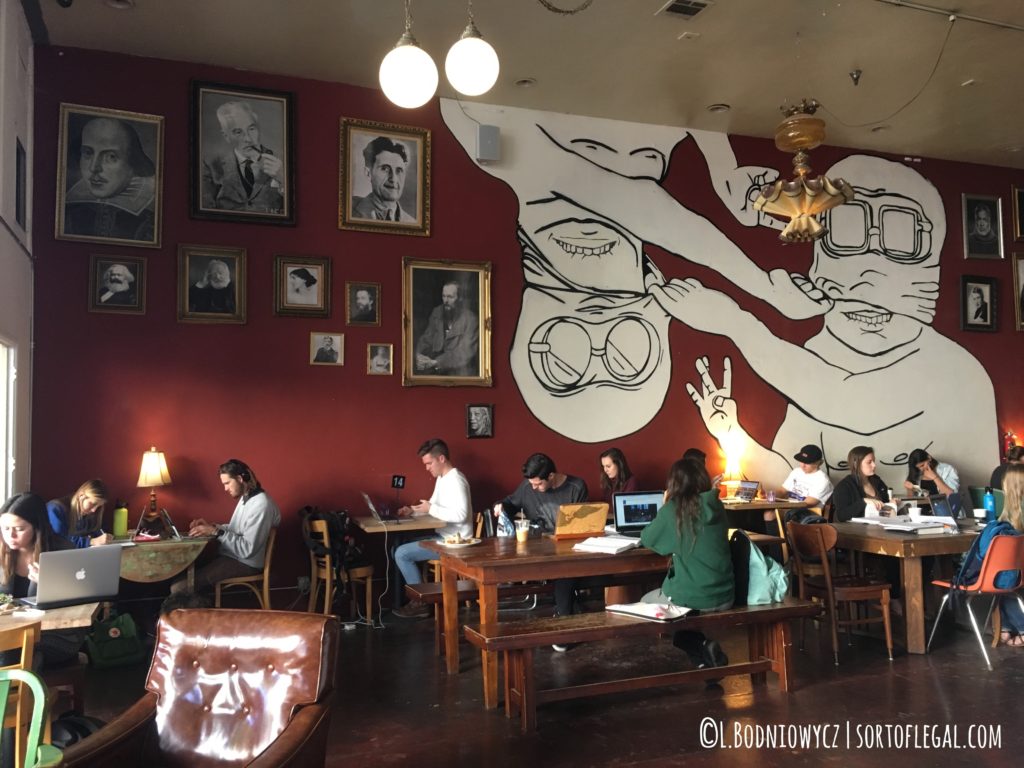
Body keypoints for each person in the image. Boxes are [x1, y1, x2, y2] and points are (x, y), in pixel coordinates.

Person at [639, 458, 734, 675]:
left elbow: (647, 538)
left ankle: (701, 648)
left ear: (673, 484)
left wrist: (664, 506)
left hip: (695, 598)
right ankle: (705, 665)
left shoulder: (673, 510)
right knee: (682, 618)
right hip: (726, 595)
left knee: (648, 603)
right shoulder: (716, 504)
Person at [497, 453, 588, 634]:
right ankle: (566, 616)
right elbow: (510, 503)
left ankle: (564, 622)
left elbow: (582, 525)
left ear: (552, 476)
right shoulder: (527, 487)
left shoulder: (576, 487)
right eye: (532, 484)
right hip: (537, 548)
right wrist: (500, 506)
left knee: (565, 569)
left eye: (539, 484)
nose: (535, 488)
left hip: (569, 548)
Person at [0, 493, 84, 667]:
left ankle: (18, 692)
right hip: (12, 631)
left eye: (19, 529)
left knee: (19, 647)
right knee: (16, 648)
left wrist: (50, 585)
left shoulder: (62, 550)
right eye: (5, 528)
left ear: (37, 527)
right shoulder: (2, 552)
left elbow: (81, 604)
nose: (11, 536)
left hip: (58, 634)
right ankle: (24, 692)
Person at [392, 439, 473, 619]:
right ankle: (417, 595)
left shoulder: (457, 480)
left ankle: (420, 602)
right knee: (399, 547)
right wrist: (411, 511)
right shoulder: (442, 479)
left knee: (402, 553)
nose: (427, 468)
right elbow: (432, 507)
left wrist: (430, 509)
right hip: (444, 537)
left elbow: (461, 514)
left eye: (429, 463)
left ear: (441, 459)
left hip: (456, 543)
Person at [176, 459, 280, 594]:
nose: (225, 488)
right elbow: (236, 528)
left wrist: (215, 531)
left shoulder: (261, 505)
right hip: (233, 557)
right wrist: (211, 527)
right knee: (181, 577)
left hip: (245, 563)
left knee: (179, 586)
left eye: (227, 483)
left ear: (240, 478)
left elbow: (247, 550)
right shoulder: (247, 497)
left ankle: (190, 614)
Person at [63, 116, 156, 242]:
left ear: (133, 163)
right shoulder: (67, 214)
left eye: (111, 156)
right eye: (88, 153)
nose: (94, 167)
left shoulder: (149, 223)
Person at [201, 101, 285, 213]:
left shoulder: (282, 161)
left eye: (252, 129)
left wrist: (283, 179)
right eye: (238, 132)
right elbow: (205, 212)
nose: (248, 139)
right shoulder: (211, 166)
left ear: (258, 129)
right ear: (226, 137)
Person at [415, 280, 479, 376]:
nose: (445, 301)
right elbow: (426, 338)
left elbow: (464, 352)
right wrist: (418, 355)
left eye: (450, 297)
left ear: (460, 298)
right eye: (443, 296)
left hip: (459, 371)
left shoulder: (471, 320)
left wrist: (436, 363)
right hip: (434, 367)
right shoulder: (437, 312)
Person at [993, 464, 1024, 646]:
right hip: (1019, 569)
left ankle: (1018, 629)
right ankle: (1005, 627)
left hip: (1015, 573)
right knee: (1003, 577)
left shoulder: (1008, 517)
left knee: (1003, 580)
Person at [352, 136, 409, 221]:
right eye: (385, 169)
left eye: (399, 170)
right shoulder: (348, 208)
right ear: (368, 173)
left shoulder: (412, 222)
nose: (393, 179)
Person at [46, 479, 113, 549]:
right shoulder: (56, 509)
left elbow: (99, 532)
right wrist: (91, 541)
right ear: (81, 496)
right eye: (93, 504)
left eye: (99, 506)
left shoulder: (92, 513)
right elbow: (59, 542)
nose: (94, 510)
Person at [831, 446, 889, 523]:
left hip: (880, 526)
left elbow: (884, 504)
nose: (874, 465)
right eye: (869, 462)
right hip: (855, 531)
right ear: (855, 464)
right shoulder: (844, 486)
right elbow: (841, 515)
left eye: (874, 461)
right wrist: (863, 502)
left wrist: (891, 504)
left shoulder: (877, 481)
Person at [904, 448, 963, 517]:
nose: (922, 469)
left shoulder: (947, 469)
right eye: (919, 467)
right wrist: (909, 489)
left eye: (923, 465)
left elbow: (952, 496)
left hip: (944, 514)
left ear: (929, 458)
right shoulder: (917, 473)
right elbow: (912, 501)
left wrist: (935, 477)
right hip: (922, 515)